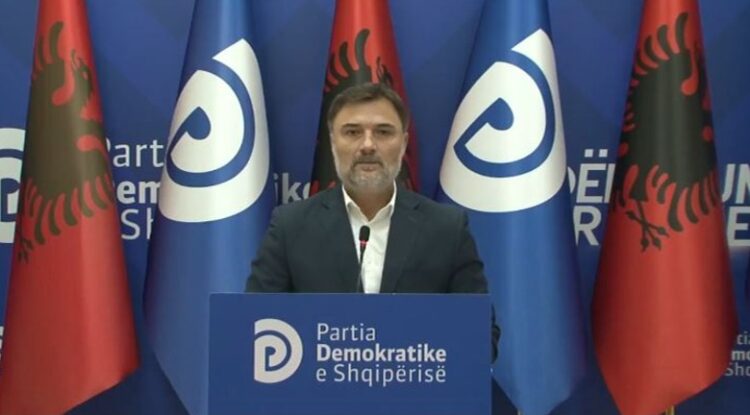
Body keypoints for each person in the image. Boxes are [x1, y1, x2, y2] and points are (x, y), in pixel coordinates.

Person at [246, 82, 499, 359]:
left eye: (383, 132)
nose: (367, 145)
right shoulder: (291, 226)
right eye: (352, 132)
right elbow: (256, 326)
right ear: (332, 142)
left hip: (415, 385)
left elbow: (481, 335)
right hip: (318, 384)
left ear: (403, 143)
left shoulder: (446, 228)